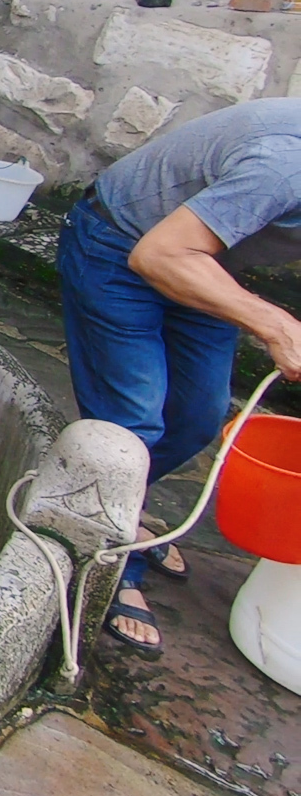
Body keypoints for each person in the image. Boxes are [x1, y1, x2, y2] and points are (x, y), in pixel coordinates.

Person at [58, 98, 301, 658]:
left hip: (205, 258)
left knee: (197, 417)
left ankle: (123, 509)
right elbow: (158, 255)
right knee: (134, 424)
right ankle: (104, 564)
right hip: (120, 243)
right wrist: (276, 324)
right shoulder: (285, 166)